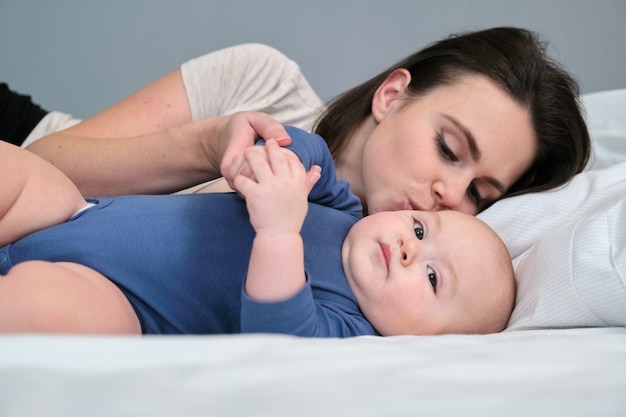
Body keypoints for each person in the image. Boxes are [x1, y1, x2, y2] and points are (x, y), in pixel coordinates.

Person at [4, 27, 590, 215]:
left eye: (481, 194)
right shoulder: (266, 81)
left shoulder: (385, 264)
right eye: (448, 148)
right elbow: (43, 163)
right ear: (391, 96)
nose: (450, 194)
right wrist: (209, 146)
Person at [0, 126, 515, 337]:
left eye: (431, 279)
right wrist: (279, 157)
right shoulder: (344, 211)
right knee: (17, 171)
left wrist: (279, 231)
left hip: (117, 300)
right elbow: (314, 156)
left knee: (42, 307)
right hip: (76, 212)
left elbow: (280, 332)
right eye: (421, 230)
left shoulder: (348, 327)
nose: (408, 249)